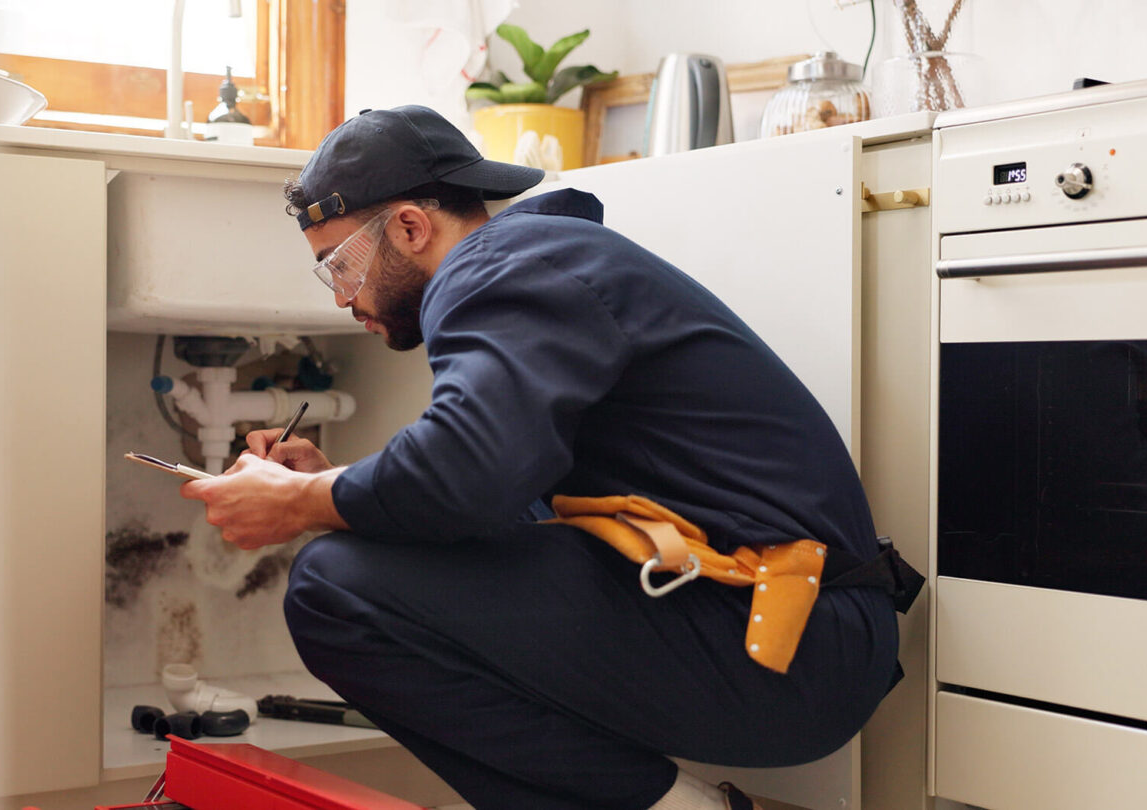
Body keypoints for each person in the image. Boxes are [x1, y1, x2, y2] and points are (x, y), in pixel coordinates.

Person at [181, 105, 902, 810]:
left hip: (792, 642)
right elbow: (490, 494)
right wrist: (330, 489)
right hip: (783, 634)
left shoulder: (497, 269)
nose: (342, 298)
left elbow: (462, 474)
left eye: (339, 265)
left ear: (409, 226)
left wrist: (302, 502)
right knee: (368, 564)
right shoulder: (534, 266)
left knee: (332, 590)